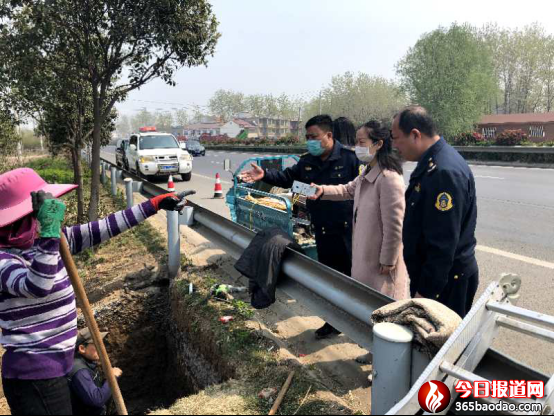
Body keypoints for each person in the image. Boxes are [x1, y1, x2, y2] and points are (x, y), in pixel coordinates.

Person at [0, 167, 188, 415]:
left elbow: (104, 228)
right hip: (33, 376)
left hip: (59, 366)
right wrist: (49, 233)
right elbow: (38, 286)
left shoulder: (52, 242)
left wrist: (154, 205)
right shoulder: (5, 259)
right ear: (21, 219)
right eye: (38, 213)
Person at [240, 115, 360, 339]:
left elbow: (363, 192)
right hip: (322, 229)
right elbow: (289, 179)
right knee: (329, 279)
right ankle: (334, 322)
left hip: (349, 231)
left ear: (329, 135)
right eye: (307, 137)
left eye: (314, 136)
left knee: (353, 280)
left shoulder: (350, 159)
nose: (310, 141)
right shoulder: (307, 161)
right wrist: (265, 175)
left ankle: (359, 324)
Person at [391, 106, 479, 318]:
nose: (394, 145)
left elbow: (442, 245)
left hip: (444, 284)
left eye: (396, 138)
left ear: (415, 135)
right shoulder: (431, 162)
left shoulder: (443, 172)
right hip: (437, 278)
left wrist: (425, 293)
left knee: (441, 337)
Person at [310, 120, 409, 300]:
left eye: (361, 142)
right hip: (366, 254)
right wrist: (322, 190)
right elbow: (348, 189)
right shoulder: (368, 171)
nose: (357, 147)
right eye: (356, 142)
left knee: (382, 306)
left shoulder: (389, 178)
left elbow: (395, 226)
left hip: (381, 262)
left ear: (378, 144)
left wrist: (388, 260)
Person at [68, 329, 121, 415]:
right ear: (82, 348)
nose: (102, 347)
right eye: (97, 344)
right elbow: (97, 400)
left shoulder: (88, 363)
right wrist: (112, 378)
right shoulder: (80, 371)